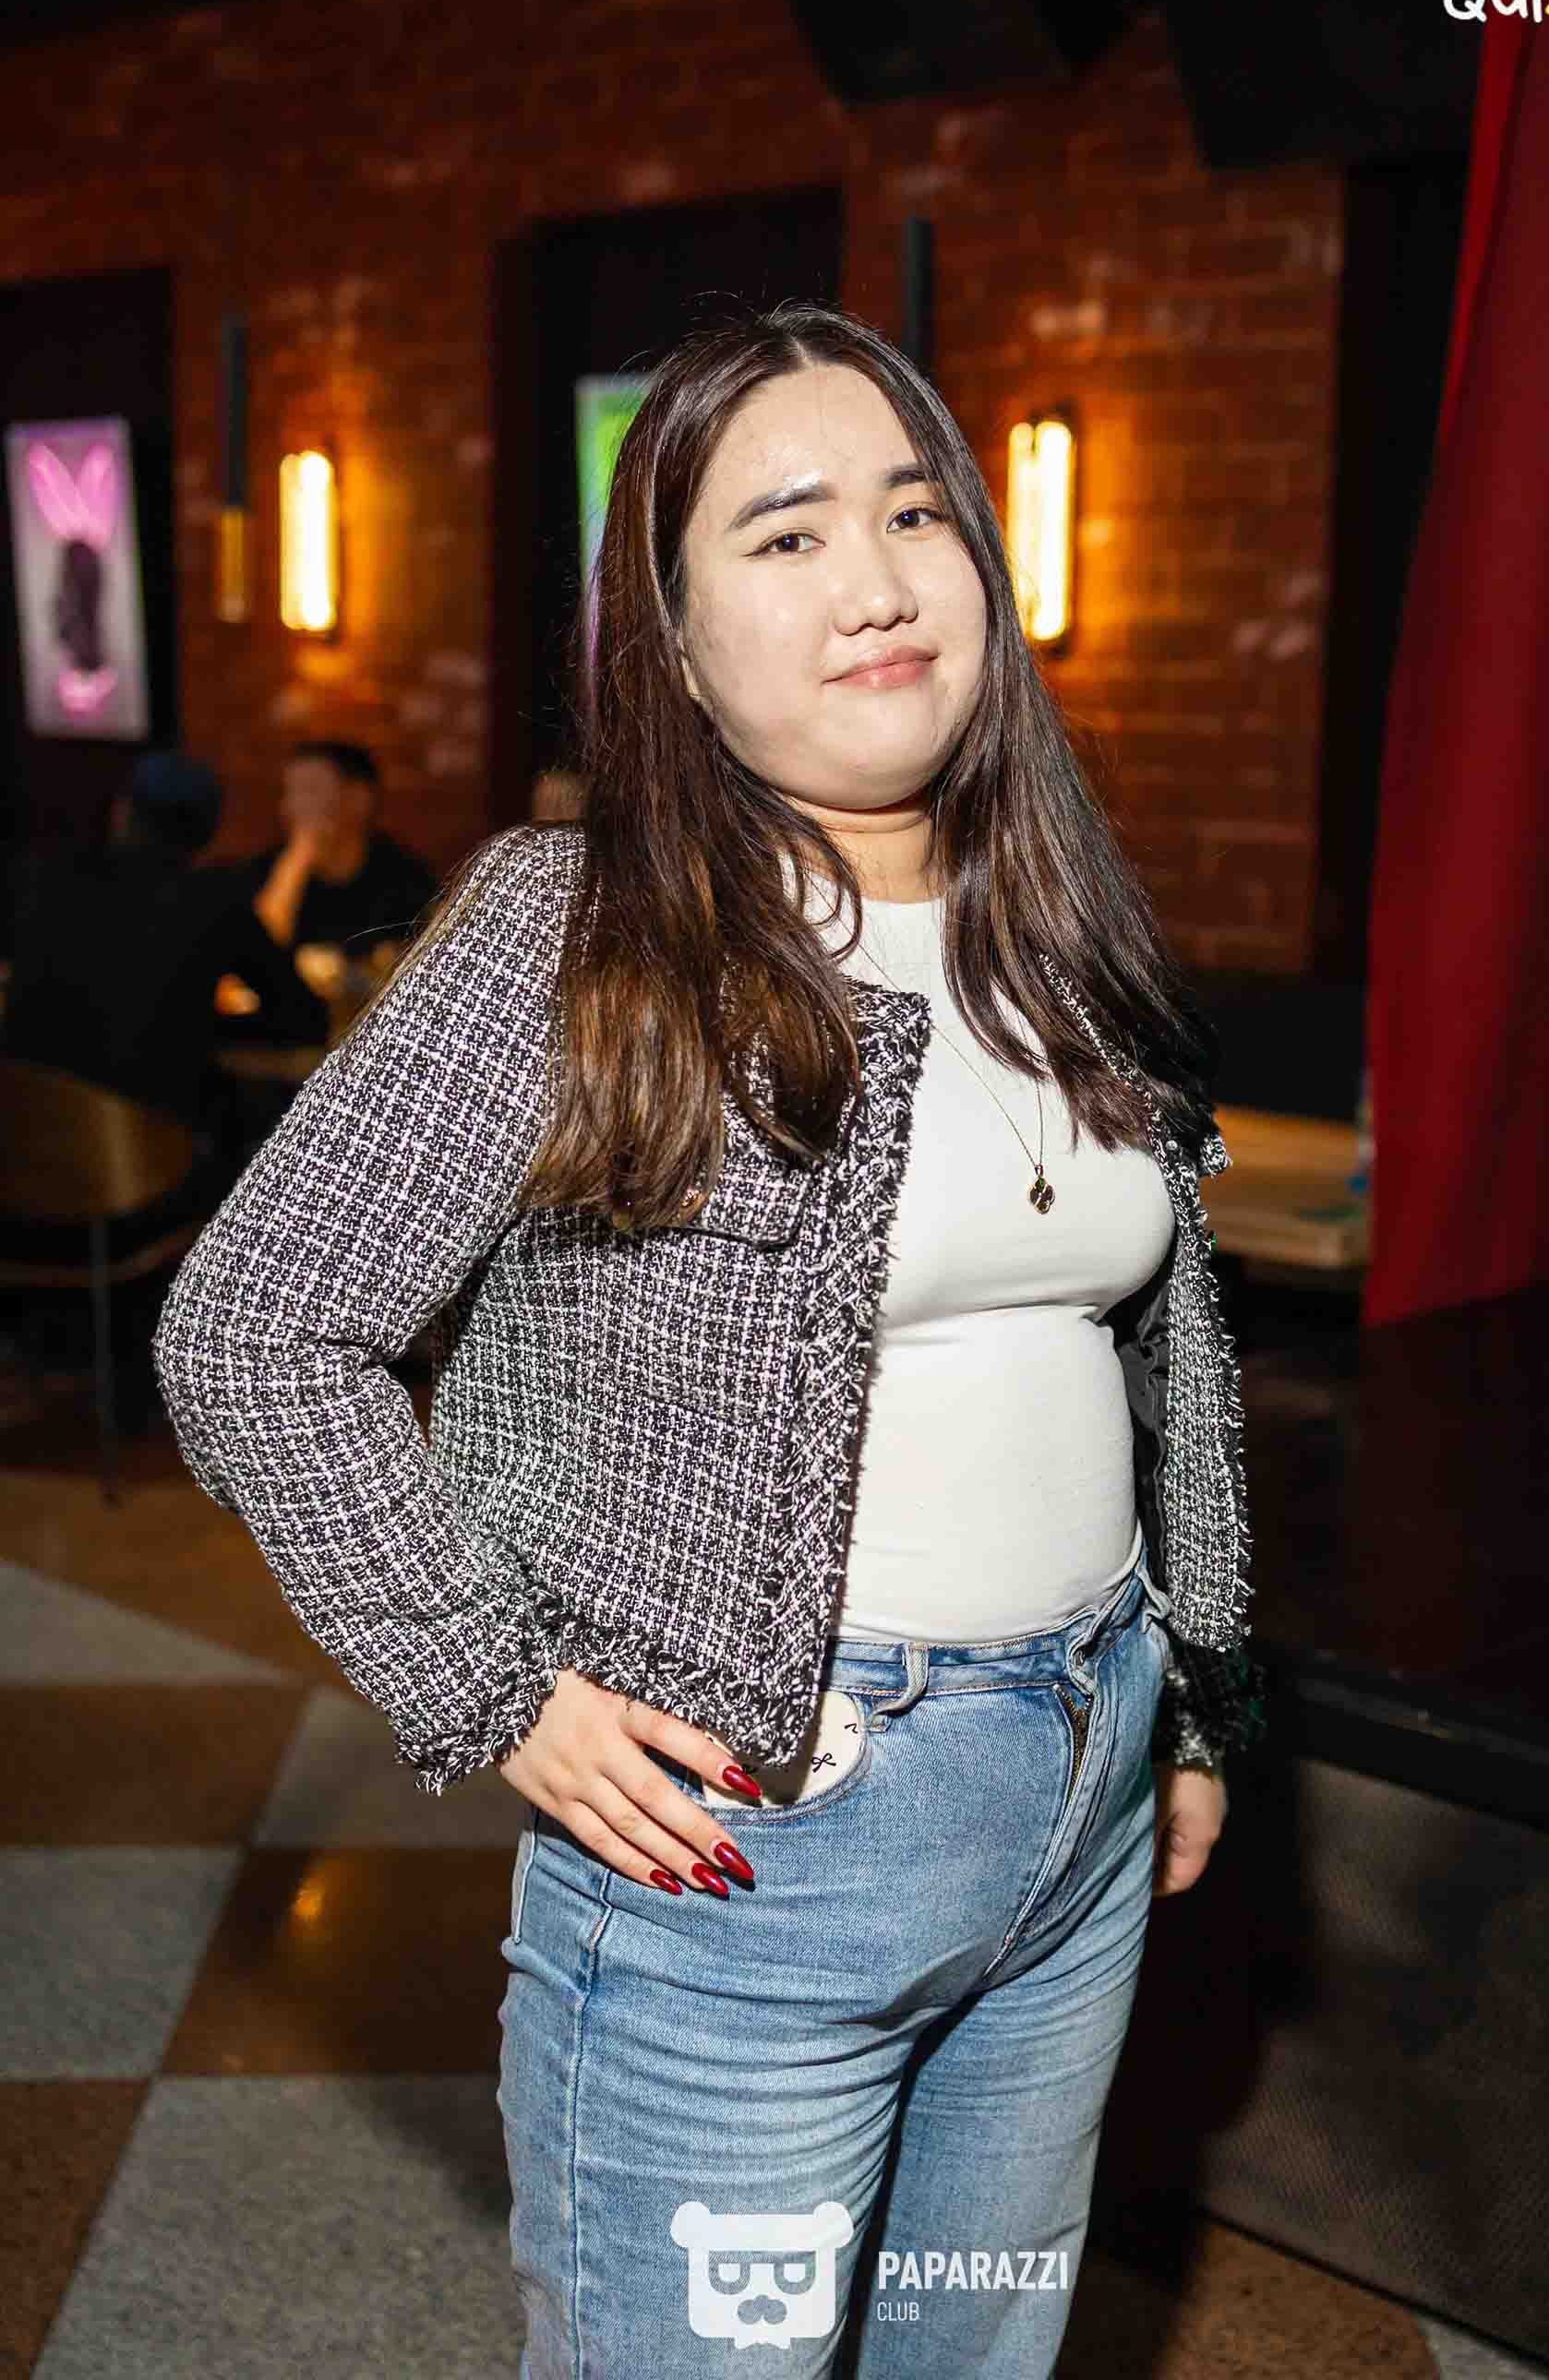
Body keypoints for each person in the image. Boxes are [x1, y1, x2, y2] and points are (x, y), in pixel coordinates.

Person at [151, 299, 1267, 2379]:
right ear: (669, 643)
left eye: (914, 513)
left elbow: (1151, 1360)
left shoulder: (1057, 915)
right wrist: (492, 1685)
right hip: (766, 1836)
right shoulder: (580, 925)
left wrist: (1183, 1701)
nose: (877, 579)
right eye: (786, 532)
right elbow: (252, 1329)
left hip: (1083, 1795)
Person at [0, 748, 330, 1388]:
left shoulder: (44, 880)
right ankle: (218, 1353)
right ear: (207, 833)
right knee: (247, 1135)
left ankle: (52, 1340)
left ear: (122, 813)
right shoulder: (213, 900)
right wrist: (200, 1023)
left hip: (16, 1174)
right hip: (136, 1181)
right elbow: (302, 1018)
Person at [234, 740, 437, 960]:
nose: (292, 806)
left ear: (359, 798)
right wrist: (299, 857)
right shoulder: (265, 872)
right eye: (289, 792)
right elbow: (253, 953)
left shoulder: (403, 876)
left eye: (309, 791)